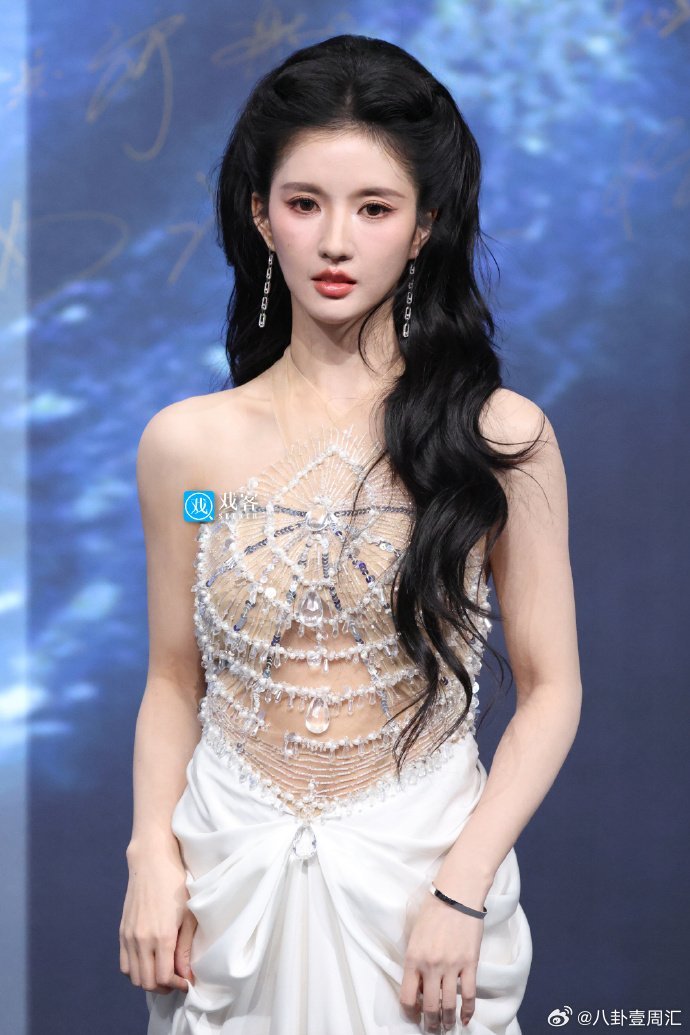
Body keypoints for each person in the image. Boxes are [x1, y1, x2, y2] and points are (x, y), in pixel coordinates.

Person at [119, 34, 582, 1035]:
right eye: (305, 203)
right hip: (228, 882)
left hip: (418, 887)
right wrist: (151, 852)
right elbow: (173, 678)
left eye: (374, 208)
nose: (336, 241)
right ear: (261, 214)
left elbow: (553, 689)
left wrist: (462, 887)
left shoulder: (499, 438)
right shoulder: (188, 453)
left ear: (423, 228)